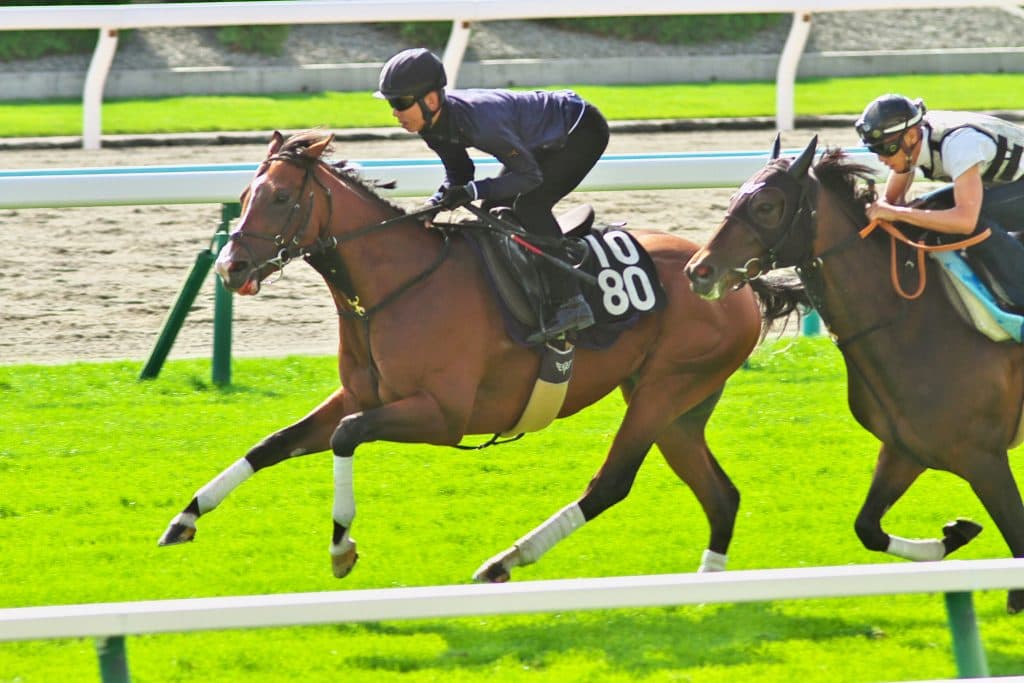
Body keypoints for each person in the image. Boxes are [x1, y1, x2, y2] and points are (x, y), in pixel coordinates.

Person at [375, 47, 610, 340]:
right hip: (545, 136)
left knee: (530, 205)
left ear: (431, 99)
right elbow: (460, 174)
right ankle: (523, 290)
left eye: (400, 102)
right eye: (390, 104)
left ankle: (570, 302)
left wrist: (470, 191)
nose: (395, 113)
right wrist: (434, 204)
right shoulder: (430, 124)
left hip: (581, 129)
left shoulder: (482, 123)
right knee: (491, 208)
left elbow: (529, 176)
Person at [856, 93, 1024, 311]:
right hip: (1009, 183)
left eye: (884, 149)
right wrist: (891, 211)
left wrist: (897, 213)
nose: (880, 157)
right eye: (873, 148)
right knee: (930, 213)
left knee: (970, 220)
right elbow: (892, 203)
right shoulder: (914, 140)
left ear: (910, 137)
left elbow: (965, 221)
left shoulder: (959, 145)